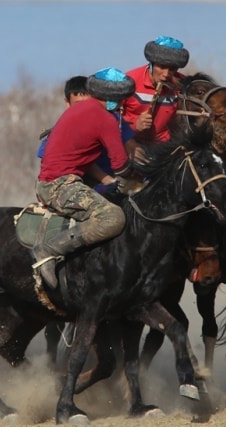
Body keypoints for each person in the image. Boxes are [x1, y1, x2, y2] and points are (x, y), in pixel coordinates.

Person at [34, 67, 136, 289]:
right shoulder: (106, 119)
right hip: (59, 185)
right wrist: (139, 177)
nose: (121, 104)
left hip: (56, 181)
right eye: (120, 99)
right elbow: (120, 165)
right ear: (112, 97)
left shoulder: (79, 109)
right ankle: (50, 250)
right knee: (113, 217)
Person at [122, 36, 190, 144]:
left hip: (163, 146)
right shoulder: (128, 82)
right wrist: (135, 126)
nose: (166, 74)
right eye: (162, 67)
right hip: (131, 141)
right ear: (152, 63)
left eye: (172, 69)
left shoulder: (182, 84)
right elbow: (109, 118)